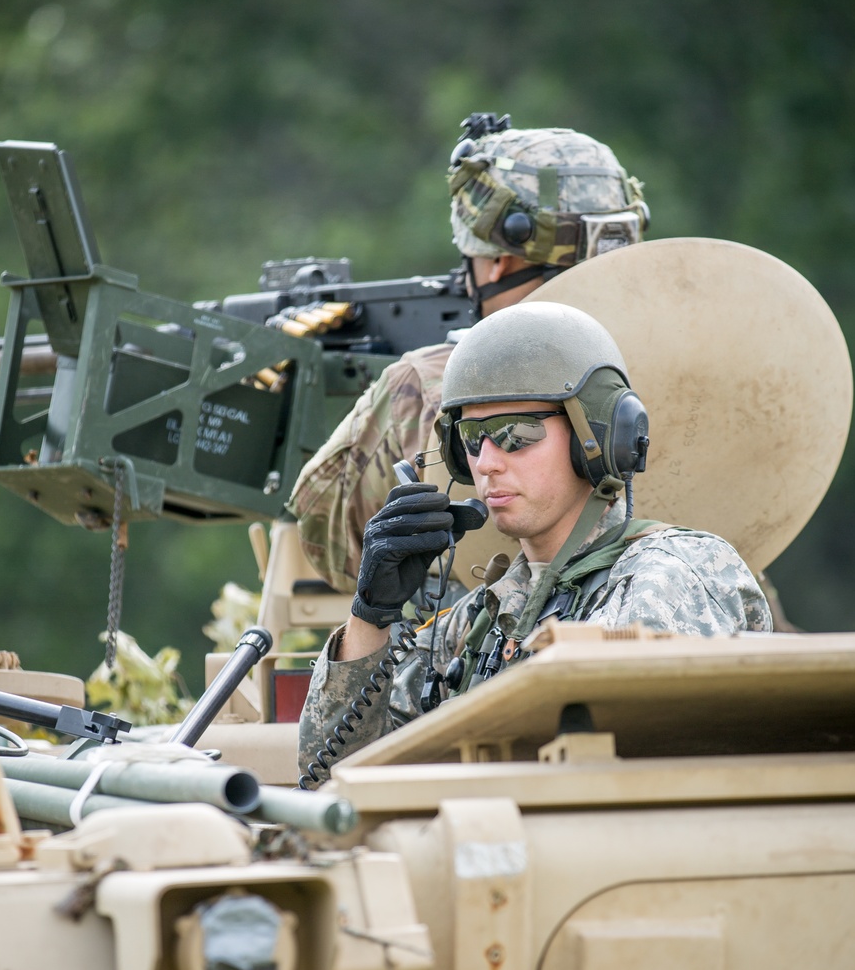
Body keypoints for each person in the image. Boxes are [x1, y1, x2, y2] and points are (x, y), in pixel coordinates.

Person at [297, 301, 772, 779]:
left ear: (600, 436)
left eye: (514, 434)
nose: (486, 463)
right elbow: (332, 779)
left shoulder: (672, 575)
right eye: (471, 437)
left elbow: (619, 777)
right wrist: (370, 617)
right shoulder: (481, 621)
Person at [287, 113, 649, 592]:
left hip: (486, 647)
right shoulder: (702, 363)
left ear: (498, 261)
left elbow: (326, 536)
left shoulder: (423, 383)